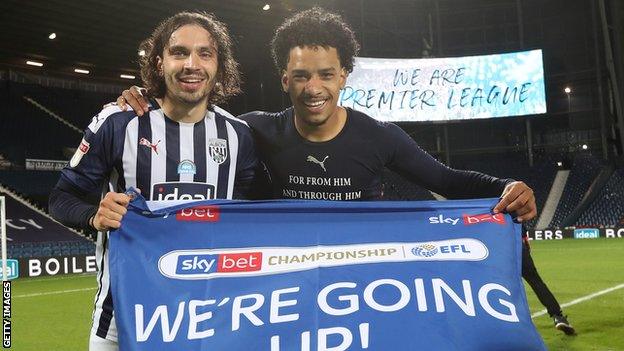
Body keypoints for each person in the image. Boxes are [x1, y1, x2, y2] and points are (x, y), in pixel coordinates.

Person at [117, 6, 573, 335]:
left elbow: (446, 181)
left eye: (325, 74)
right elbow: (189, 116)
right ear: (284, 80)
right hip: (283, 294)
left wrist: (509, 186)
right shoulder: (255, 131)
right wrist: (143, 99)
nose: (313, 88)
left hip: (359, 295)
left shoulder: (380, 136)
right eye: (300, 76)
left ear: (344, 76)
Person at [49, 12, 260, 350]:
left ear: (220, 65)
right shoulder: (118, 123)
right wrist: (94, 216)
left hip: (209, 319)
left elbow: (250, 217)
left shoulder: (239, 136)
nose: (192, 64)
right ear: (159, 61)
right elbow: (61, 197)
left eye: (205, 53)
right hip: (121, 321)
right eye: (179, 52)